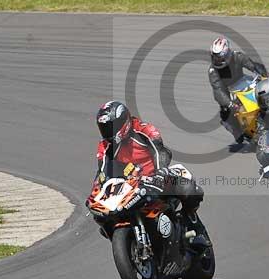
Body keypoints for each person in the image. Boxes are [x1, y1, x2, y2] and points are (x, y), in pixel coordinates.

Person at [88, 100, 208, 243]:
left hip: (156, 177)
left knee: (187, 187)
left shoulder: (143, 129)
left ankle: (196, 226)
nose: (107, 132)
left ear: (123, 122)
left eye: (109, 127)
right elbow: (102, 172)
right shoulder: (105, 146)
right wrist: (97, 189)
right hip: (129, 187)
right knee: (103, 216)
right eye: (103, 128)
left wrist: (159, 171)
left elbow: (160, 152)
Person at [208, 36, 269, 143]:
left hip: (244, 82)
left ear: (227, 54)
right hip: (227, 91)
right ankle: (236, 130)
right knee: (226, 111)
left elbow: (252, 65)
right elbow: (217, 90)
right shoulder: (213, 71)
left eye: (220, 57)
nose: (217, 60)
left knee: (264, 92)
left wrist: (264, 74)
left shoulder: (237, 56)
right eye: (215, 57)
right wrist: (230, 104)